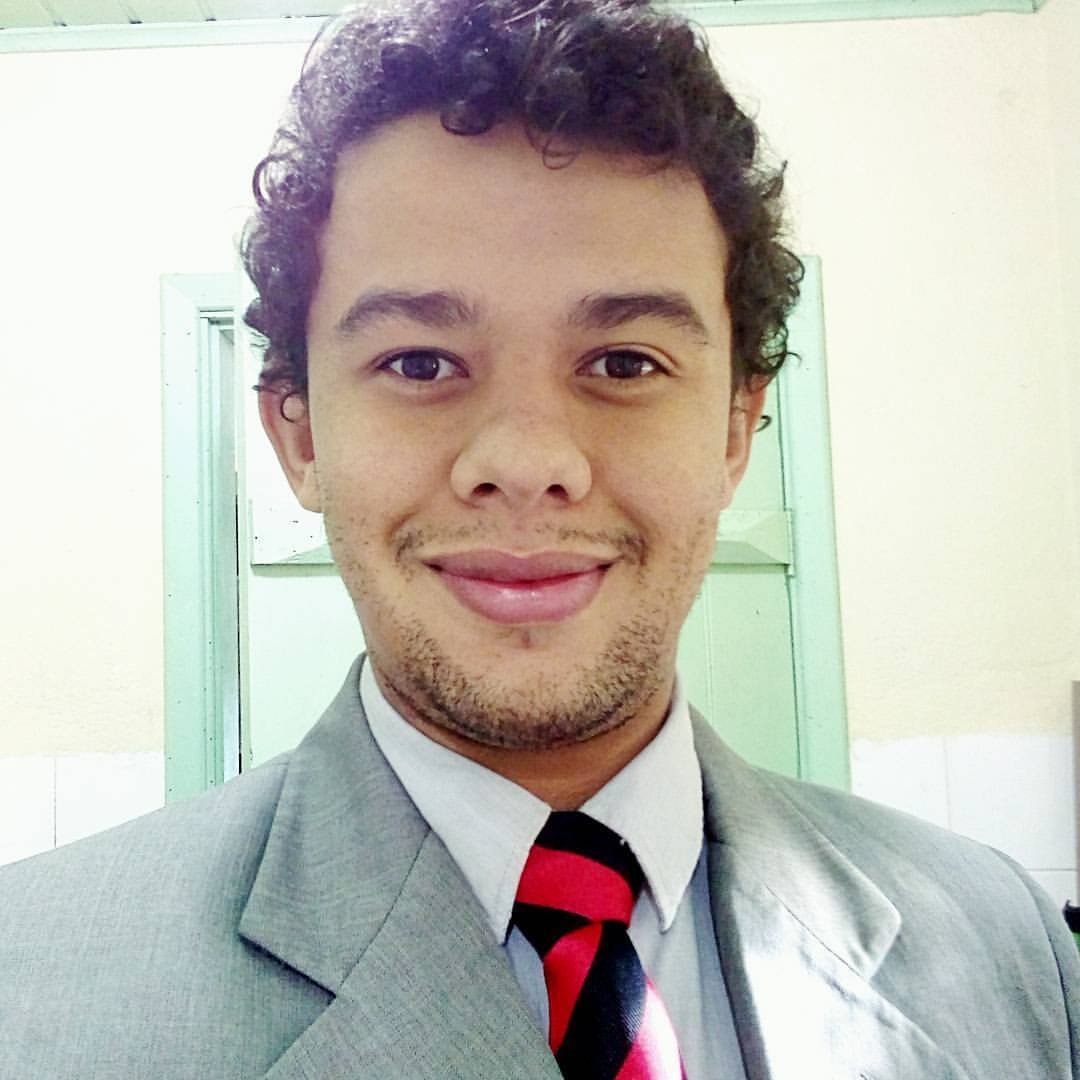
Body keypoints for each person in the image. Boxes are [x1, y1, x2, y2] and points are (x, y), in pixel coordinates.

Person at [1, 0, 1076, 1076]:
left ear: (735, 429)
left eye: (625, 363)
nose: (525, 460)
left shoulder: (1014, 951)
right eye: (419, 363)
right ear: (301, 437)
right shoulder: (32, 987)